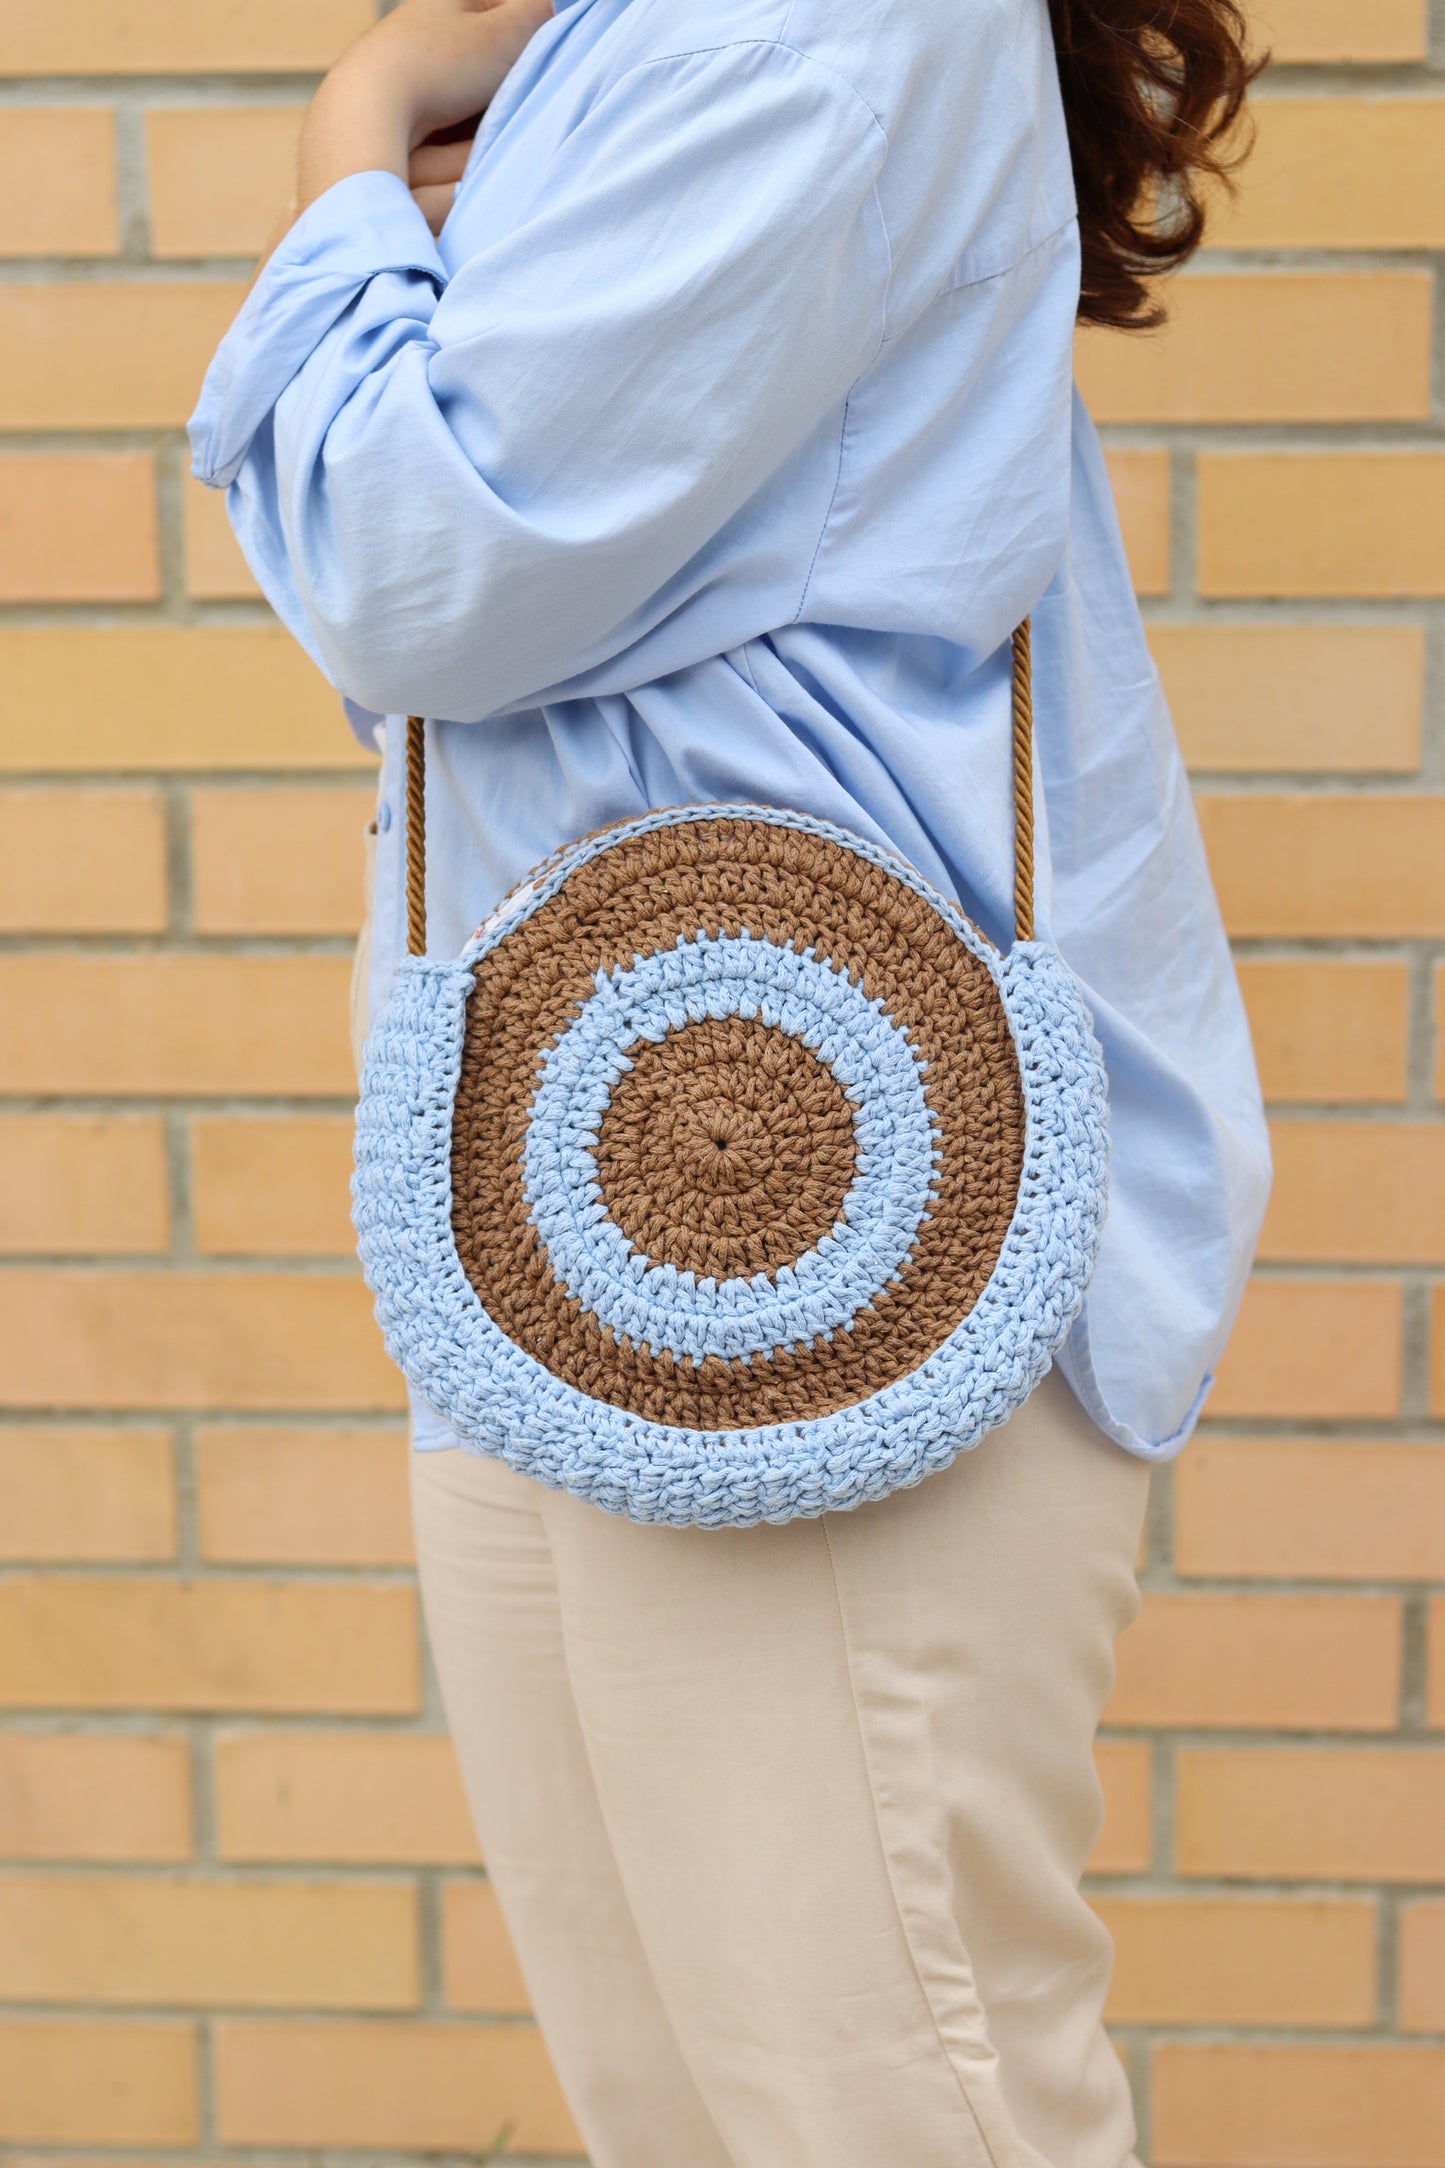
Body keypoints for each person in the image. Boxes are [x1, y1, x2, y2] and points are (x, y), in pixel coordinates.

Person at [191, 1, 1269, 2160]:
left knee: (903, 2108)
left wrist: (358, 128)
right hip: (566, 1205)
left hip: (851, 1234)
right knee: (680, 2113)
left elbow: (421, 562)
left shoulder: (813, 22)